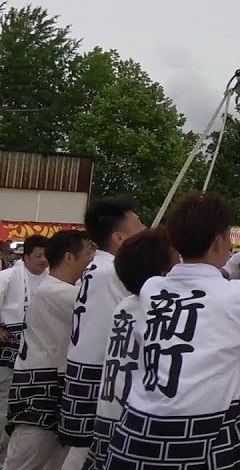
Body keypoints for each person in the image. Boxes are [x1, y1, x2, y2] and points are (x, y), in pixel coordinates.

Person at [102, 192, 240, 468]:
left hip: (138, 436)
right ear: (218, 242)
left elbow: (196, 288)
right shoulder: (233, 296)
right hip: (203, 440)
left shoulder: (152, 288)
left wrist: (225, 270)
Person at [58, 199, 146, 468]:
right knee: (90, 448)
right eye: (140, 224)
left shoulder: (97, 265)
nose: (146, 227)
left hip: (82, 364)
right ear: (119, 238)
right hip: (100, 369)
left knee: (82, 447)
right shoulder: (117, 270)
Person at [84, 229, 178, 470]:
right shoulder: (162, 313)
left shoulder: (125, 305)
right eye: (177, 262)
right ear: (162, 275)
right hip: (135, 426)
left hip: (109, 418)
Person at [4, 230, 95, 470]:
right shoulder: (57, 292)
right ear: (69, 257)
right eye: (89, 252)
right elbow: (98, 305)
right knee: (21, 465)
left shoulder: (60, 289)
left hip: (51, 390)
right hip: (41, 396)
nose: (93, 259)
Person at [0, 235, 48, 450]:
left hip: (38, 343)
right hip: (10, 340)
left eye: (46, 255)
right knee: (4, 392)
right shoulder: (7, 276)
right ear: (26, 256)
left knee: (28, 394)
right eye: (38, 255)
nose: (43, 260)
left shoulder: (52, 277)